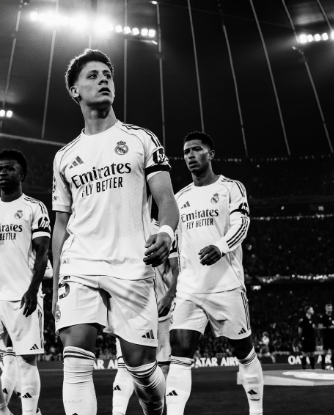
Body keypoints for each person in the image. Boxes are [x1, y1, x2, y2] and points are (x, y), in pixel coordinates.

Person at [52, 49, 178, 415]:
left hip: (131, 265)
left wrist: (166, 232)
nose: (104, 80)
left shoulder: (141, 139)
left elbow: (167, 201)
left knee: (142, 371)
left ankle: (157, 407)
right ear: (75, 91)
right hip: (80, 263)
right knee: (75, 364)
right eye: (92, 76)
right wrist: (56, 281)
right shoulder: (64, 157)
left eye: (107, 75)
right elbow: (61, 224)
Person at [166, 131, 263, 415]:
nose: (190, 155)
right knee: (179, 354)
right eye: (186, 151)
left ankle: (256, 411)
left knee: (244, 352)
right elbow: (175, 246)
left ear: (211, 154)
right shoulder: (179, 198)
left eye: (197, 149)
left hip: (226, 285)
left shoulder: (231, 188)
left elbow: (242, 225)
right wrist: (172, 285)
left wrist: (220, 247)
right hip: (189, 289)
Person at [0, 149, 51, 415]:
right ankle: (2, 411)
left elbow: (42, 253)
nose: (2, 173)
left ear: (21, 174)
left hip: (22, 295)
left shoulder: (34, 207)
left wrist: (33, 290)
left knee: (26, 361)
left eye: (8, 168)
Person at [112, 219, 178, 415]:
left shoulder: (163, 230)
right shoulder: (121, 226)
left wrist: (169, 296)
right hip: (130, 306)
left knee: (162, 367)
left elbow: (177, 269)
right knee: (124, 366)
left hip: (161, 309)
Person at [298, 306, 317, 370]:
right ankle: (304, 366)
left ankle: (313, 366)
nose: (313, 311)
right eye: (312, 309)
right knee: (305, 353)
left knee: (312, 352)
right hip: (306, 338)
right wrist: (301, 338)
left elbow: (314, 328)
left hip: (312, 338)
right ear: (308, 311)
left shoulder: (313, 319)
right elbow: (299, 330)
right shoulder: (303, 320)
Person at [320, 303, 334, 369]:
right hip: (326, 336)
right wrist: (328, 327)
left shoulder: (333, 316)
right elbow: (320, 326)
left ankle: (333, 365)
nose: (330, 309)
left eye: (331, 308)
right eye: (328, 308)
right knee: (325, 351)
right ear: (326, 309)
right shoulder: (323, 317)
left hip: (333, 336)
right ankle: (323, 365)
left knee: (333, 351)